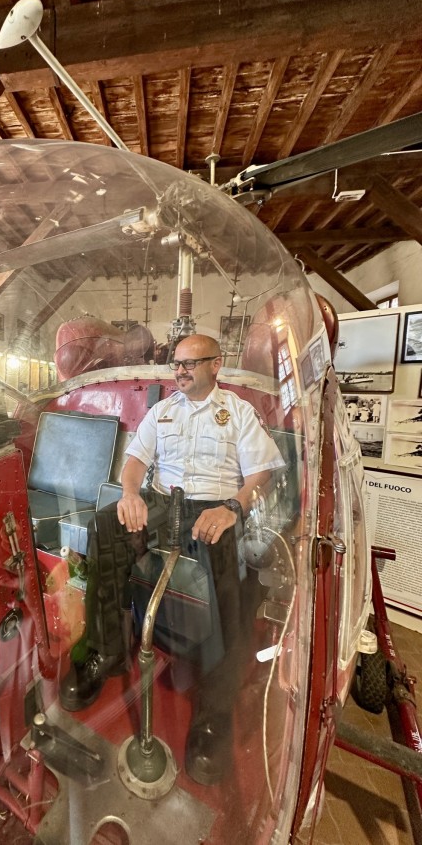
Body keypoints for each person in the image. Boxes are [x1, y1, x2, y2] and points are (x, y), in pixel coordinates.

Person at [59, 334, 285, 785]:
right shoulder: (161, 412)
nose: (179, 372)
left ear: (216, 365)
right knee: (105, 526)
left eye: (189, 364)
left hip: (215, 507)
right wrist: (129, 495)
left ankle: (212, 712)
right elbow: (136, 461)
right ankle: (107, 654)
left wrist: (233, 508)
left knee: (231, 573)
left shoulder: (238, 413)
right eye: (176, 365)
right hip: (164, 504)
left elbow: (262, 472)